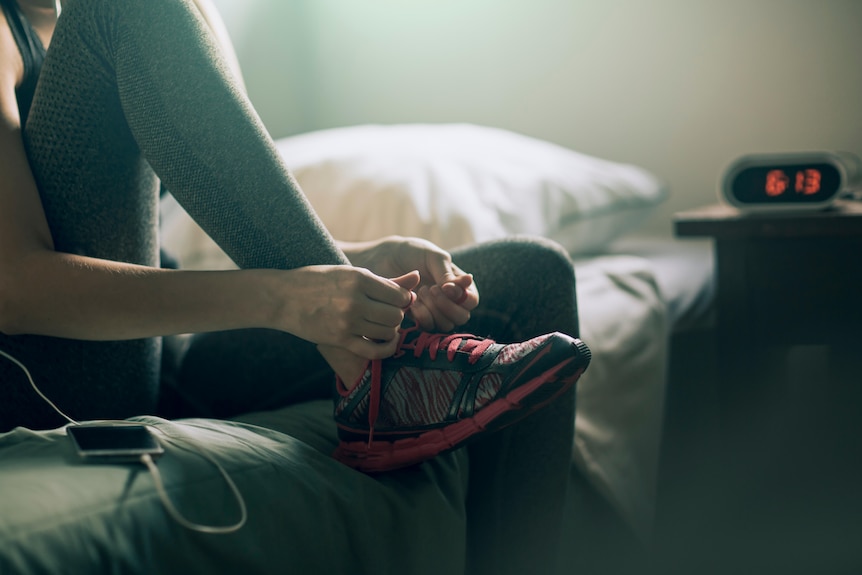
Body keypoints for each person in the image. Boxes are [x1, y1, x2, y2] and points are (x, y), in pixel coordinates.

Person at [0, 0, 589, 571]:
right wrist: (285, 299)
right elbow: (15, 286)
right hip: (51, 371)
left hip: (164, 355)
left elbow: (239, 211)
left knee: (532, 280)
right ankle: (376, 371)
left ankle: (379, 372)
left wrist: (352, 264)